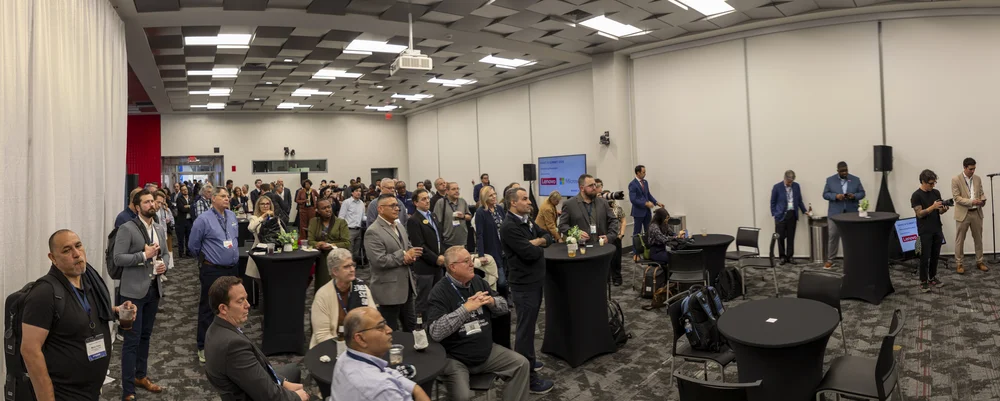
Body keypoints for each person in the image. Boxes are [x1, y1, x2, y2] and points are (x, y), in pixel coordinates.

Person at [21, 230, 135, 401]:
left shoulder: (88, 281)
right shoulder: (44, 293)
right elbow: (30, 350)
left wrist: (115, 311)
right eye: (66, 250)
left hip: (90, 390)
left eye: (78, 246)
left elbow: (78, 315)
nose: (76, 254)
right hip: (64, 393)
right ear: (53, 258)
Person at [427, 246, 531, 401]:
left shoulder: (477, 281)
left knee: (521, 364)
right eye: (466, 261)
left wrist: (492, 302)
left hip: (486, 352)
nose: (472, 264)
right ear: (453, 267)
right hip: (456, 358)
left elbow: (504, 306)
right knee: (463, 396)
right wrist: (465, 309)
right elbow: (435, 331)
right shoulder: (439, 291)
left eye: (472, 260)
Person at [204, 276, 309, 401]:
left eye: (246, 298)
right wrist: (297, 397)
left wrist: (282, 382)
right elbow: (269, 396)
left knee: (293, 370)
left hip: (249, 386)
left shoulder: (215, 329)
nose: (247, 305)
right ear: (223, 308)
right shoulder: (232, 346)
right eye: (240, 301)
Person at [112, 189, 168, 399]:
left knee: (145, 336)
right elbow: (118, 258)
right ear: (137, 207)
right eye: (146, 202)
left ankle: (140, 376)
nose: (151, 204)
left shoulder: (159, 228)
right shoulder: (126, 228)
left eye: (153, 201)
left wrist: (163, 265)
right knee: (131, 341)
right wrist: (144, 255)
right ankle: (128, 389)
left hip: (154, 290)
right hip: (131, 294)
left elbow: (165, 254)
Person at [499, 187, 555, 394]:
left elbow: (547, 237)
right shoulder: (509, 226)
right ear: (513, 202)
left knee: (529, 328)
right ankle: (528, 379)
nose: (529, 202)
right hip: (524, 286)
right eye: (524, 199)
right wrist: (539, 245)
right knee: (524, 332)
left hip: (534, 281)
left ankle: (528, 361)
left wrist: (538, 241)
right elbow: (529, 253)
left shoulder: (526, 220)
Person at [330, 307, 431, 401]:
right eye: (380, 327)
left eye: (385, 324)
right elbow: (382, 385)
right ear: (360, 339)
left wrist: (415, 389)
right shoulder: (382, 389)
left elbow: (387, 371)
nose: (389, 330)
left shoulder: (345, 357)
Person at [188, 187, 241, 363]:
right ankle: (203, 346)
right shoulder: (203, 220)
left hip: (232, 269)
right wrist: (207, 259)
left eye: (228, 196)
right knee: (209, 308)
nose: (227, 199)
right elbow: (193, 245)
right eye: (223, 196)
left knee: (231, 306)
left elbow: (234, 239)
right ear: (213, 198)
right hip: (212, 270)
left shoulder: (231, 216)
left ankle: (229, 343)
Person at [365, 194, 422, 332]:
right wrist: (404, 256)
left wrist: (412, 254)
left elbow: (407, 246)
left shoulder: (399, 226)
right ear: (380, 209)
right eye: (392, 206)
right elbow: (379, 260)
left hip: (406, 288)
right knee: (390, 331)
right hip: (388, 291)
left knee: (411, 328)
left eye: (397, 205)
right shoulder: (373, 231)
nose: (397, 208)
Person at [310, 249, 376, 348]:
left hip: (361, 345)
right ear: (335, 271)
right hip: (331, 347)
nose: (352, 269)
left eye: (352, 265)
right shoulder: (322, 295)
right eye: (346, 267)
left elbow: (374, 319)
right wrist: (345, 349)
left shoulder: (362, 288)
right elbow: (322, 335)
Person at [474, 186, 511, 348]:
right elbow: (480, 234)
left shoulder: (499, 209)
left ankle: (503, 305)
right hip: (492, 250)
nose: (494, 197)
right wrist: (481, 254)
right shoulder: (481, 213)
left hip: (504, 250)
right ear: (484, 198)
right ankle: (499, 304)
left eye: (495, 194)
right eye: (490, 195)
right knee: (500, 281)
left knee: (506, 279)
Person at [406, 189, 446, 317]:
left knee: (438, 297)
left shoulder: (433, 216)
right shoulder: (414, 220)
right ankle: (421, 324)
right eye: (423, 199)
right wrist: (436, 259)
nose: (427, 201)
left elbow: (439, 238)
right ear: (415, 203)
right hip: (425, 267)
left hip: (438, 265)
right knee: (424, 300)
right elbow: (419, 246)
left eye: (428, 198)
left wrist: (442, 255)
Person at [911, 169, 950, 292]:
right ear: (923, 182)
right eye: (931, 183)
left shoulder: (936, 193)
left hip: (937, 228)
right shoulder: (916, 195)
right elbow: (919, 214)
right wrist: (932, 207)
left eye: (934, 183)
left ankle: (932, 277)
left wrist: (943, 209)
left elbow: (940, 211)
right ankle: (923, 281)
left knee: (935, 255)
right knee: (925, 256)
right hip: (924, 230)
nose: (933, 185)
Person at [822, 161, 866, 269]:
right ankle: (830, 260)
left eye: (846, 170)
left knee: (853, 236)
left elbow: (862, 193)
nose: (844, 173)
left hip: (851, 213)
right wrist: (836, 196)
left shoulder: (855, 179)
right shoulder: (830, 180)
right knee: (833, 236)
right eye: (842, 171)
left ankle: (854, 259)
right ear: (837, 171)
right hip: (835, 213)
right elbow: (825, 194)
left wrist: (854, 196)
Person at [558, 174, 620, 246]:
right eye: (590, 186)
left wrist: (609, 236)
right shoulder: (569, 204)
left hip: (601, 247)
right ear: (582, 188)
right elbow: (562, 225)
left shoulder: (603, 202)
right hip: (581, 247)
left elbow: (613, 220)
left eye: (594, 185)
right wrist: (576, 233)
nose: (594, 188)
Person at [951, 157, 989, 273]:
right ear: (964, 167)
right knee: (960, 240)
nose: (973, 171)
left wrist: (983, 199)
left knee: (978, 239)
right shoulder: (956, 179)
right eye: (971, 169)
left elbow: (981, 192)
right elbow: (957, 198)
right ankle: (959, 264)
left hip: (976, 213)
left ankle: (979, 261)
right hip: (963, 213)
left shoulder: (977, 178)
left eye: (974, 169)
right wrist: (972, 202)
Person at [308, 199, 352, 289]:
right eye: (324, 208)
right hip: (321, 259)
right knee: (322, 285)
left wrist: (332, 245)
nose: (328, 210)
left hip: (338, 258)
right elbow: (310, 241)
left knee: (338, 286)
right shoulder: (314, 222)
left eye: (329, 207)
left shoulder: (341, 222)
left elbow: (347, 242)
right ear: (318, 211)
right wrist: (318, 244)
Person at [770, 170, 810, 265]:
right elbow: (773, 202)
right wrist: (775, 213)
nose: (790, 183)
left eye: (791, 181)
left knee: (791, 237)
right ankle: (782, 257)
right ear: (785, 178)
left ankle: (790, 256)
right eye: (788, 182)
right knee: (780, 237)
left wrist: (805, 211)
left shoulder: (796, 186)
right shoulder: (777, 187)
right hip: (780, 215)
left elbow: (799, 200)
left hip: (792, 214)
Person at [247, 195, 287, 279]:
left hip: (272, 251)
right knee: (259, 277)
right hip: (259, 250)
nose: (265, 206)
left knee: (272, 278)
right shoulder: (254, 218)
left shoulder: (275, 219)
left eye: (267, 204)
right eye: (262, 204)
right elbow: (251, 228)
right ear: (258, 206)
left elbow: (282, 233)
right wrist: (263, 216)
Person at [598, 179, 628, 286]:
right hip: (603, 237)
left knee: (616, 259)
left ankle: (617, 278)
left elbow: (623, 221)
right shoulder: (600, 209)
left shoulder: (617, 209)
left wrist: (621, 234)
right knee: (605, 259)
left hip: (615, 237)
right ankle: (605, 279)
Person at [433, 182, 471, 249]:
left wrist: (463, 216)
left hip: (462, 240)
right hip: (447, 241)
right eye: (453, 189)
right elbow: (436, 222)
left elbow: (469, 217)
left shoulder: (462, 201)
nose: (456, 191)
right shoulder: (441, 203)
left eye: (457, 189)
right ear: (447, 191)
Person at [628, 165, 664, 235]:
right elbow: (633, 199)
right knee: (637, 233)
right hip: (638, 212)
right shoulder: (632, 184)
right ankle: (636, 243)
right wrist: (645, 203)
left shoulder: (645, 182)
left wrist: (656, 202)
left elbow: (648, 195)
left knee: (648, 231)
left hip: (647, 212)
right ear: (638, 173)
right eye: (643, 172)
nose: (645, 174)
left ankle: (648, 242)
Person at [339, 185, 366, 262]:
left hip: (358, 230)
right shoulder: (347, 202)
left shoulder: (361, 203)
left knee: (356, 253)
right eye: (356, 191)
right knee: (349, 251)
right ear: (352, 193)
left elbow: (363, 217)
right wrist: (343, 230)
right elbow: (341, 217)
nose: (359, 193)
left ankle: (353, 267)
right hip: (349, 230)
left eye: (360, 191)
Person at [175, 185, 193, 258]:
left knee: (189, 237)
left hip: (189, 221)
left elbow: (194, 207)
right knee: (181, 238)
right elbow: (182, 209)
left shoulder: (191, 198)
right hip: (181, 221)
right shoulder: (179, 199)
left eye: (186, 189)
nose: (185, 191)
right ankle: (181, 253)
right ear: (181, 191)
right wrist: (190, 206)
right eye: (183, 190)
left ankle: (188, 252)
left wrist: (188, 206)